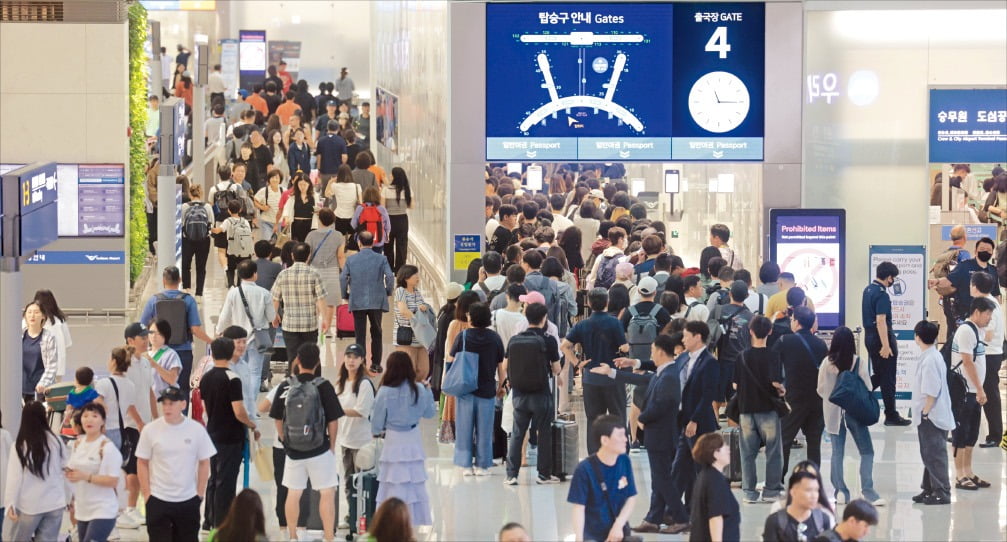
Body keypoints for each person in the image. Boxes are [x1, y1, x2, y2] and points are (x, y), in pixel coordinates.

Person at [600, 334, 685, 534]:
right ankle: (653, 518)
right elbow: (641, 378)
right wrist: (612, 373)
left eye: (653, 351)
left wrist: (643, 418)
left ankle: (681, 517)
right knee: (659, 479)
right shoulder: (663, 372)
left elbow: (665, 403)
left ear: (662, 352)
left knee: (663, 478)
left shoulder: (670, 375)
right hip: (658, 435)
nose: (651, 354)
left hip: (662, 434)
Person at [270, 343, 344, 542]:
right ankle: (329, 537)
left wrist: (285, 440)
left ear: (298, 361)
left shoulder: (285, 385)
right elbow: (333, 420)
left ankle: (293, 536)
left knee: (293, 493)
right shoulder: (323, 386)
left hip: (293, 450)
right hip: (319, 449)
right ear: (318, 363)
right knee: (326, 492)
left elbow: (277, 417)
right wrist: (331, 446)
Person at [136, 386, 215, 542]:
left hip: (187, 499)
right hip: (158, 499)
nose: (167, 408)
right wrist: (147, 494)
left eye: (172, 403)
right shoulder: (150, 430)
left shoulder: (196, 430)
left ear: (183, 404)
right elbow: (142, 461)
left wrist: (199, 493)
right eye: (164, 403)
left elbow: (205, 462)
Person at [816, 326, 883, 505]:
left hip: (832, 413)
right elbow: (868, 387)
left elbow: (820, 389)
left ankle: (841, 492)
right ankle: (868, 491)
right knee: (867, 451)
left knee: (837, 453)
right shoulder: (857, 362)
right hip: (855, 413)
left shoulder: (826, 363)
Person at [199, 337, 260, 529]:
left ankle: (209, 520)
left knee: (213, 479)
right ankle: (223, 522)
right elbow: (238, 411)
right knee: (226, 480)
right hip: (230, 436)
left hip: (212, 433)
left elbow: (204, 407)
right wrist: (252, 425)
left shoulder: (206, 377)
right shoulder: (232, 378)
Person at [561, 288, 630, 455]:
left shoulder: (582, 324)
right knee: (618, 415)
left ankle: (594, 454)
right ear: (607, 302)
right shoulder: (615, 323)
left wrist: (578, 363)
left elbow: (564, 346)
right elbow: (624, 347)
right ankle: (621, 452)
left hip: (591, 378)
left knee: (593, 419)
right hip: (612, 377)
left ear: (589, 303)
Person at [371, 352, 436, 526]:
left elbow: (376, 423)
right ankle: (412, 520)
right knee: (413, 481)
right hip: (413, 440)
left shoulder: (384, 391)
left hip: (392, 440)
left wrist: (377, 432)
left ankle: (391, 520)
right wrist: (428, 391)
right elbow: (430, 413)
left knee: (391, 481)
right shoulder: (420, 390)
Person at [503, 302, 561, 486]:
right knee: (544, 432)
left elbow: (505, 366)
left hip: (519, 393)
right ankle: (543, 475)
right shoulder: (549, 340)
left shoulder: (515, 340)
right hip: (541, 393)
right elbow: (557, 369)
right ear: (544, 319)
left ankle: (512, 475)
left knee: (518, 433)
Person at [140, 266, 214, 402]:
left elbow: (142, 327)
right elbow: (195, 329)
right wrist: (212, 341)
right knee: (183, 388)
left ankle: (162, 414)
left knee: (157, 386)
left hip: (158, 352)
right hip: (183, 351)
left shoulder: (153, 300)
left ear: (163, 281)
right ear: (179, 280)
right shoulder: (188, 300)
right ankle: (181, 417)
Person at [734, 314, 785, 503]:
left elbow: (734, 386)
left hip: (746, 409)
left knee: (747, 452)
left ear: (750, 331)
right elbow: (775, 382)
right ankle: (771, 490)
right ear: (770, 332)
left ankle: (749, 491)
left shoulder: (742, 356)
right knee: (773, 451)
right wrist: (781, 389)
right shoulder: (773, 355)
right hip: (768, 409)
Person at [449, 302, 506, 475]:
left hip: (466, 389)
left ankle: (466, 465)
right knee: (485, 429)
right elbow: (500, 366)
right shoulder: (494, 338)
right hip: (487, 389)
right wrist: (501, 385)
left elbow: (452, 359)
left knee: (464, 427)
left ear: (470, 318)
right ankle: (482, 465)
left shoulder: (463, 336)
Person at [2, 402, 69, 542]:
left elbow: (14, 478)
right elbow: (66, 470)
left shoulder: (20, 445)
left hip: (29, 506)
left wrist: (10, 503)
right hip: (55, 503)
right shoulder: (56, 441)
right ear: (44, 417)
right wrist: (69, 497)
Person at [773, 306, 828, 477]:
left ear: (796, 322)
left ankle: (779, 478)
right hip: (817, 400)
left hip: (793, 399)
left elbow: (772, 365)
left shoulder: (784, 341)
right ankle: (813, 478)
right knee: (814, 442)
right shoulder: (820, 344)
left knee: (785, 439)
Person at [948, 296, 994, 491]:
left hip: (974, 391)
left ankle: (968, 471)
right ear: (976, 312)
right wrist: (980, 389)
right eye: (987, 314)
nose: (989, 318)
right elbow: (967, 362)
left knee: (972, 434)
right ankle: (959, 475)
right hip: (965, 391)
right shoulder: (966, 331)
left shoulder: (977, 330)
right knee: (960, 432)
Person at [567, 415, 637, 542]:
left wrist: (618, 525)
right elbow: (579, 507)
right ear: (604, 440)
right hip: (593, 535)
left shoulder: (624, 461)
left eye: (625, 435)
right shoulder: (584, 469)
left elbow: (631, 497)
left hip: (619, 533)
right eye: (620, 436)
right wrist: (579, 538)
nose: (625, 440)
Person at [909, 320, 954, 505]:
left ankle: (942, 491)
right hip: (933, 414)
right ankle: (928, 488)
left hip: (932, 416)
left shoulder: (929, 360)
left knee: (934, 454)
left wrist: (925, 413)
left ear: (917, 337)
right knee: (929, 453)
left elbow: (931, 391)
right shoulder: (932, 355)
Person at [64, 402, 122, 542]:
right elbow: (71, 471)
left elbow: (113, 480)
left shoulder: (107, 447)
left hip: (103, 509)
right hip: (82, 509)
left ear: (102, 421)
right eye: (85, 416)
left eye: (94, 416)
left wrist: (86, 476)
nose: (89, 419)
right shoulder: (78, 444)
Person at [862, 261, 911, 426]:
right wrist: (886, 345)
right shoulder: (882, 294)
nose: (893, 281)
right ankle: (891, 415)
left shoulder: (868, 290)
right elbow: (881, 320)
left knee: (881, 375)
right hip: (881, 338)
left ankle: (858, 393)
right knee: (888, 377)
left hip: (869, 337)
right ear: (889, 277)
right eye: (893, 278)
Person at [272, 242, 331, 374]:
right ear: (308, 256)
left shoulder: (283, 274)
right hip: (309, 324)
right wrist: (326, 320)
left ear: (292, 256)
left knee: (292, 356)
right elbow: (321, 299)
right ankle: (315, 383)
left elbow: (275, 298)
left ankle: (294, 384)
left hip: (289, 325)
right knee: (312, 355)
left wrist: (274, 316)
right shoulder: (314, 273)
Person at [340, 231, 395, 373]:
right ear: (373, 242)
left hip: (357, 300)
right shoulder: (381, 259)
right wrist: (388, 291)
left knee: (360, 334)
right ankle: (376, 364)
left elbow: (342, 278)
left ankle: (361, 363)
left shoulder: (351, 260)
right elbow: (389, 277)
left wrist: (345, 294)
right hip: (377, 300)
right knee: (377, 331)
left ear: (359, 242)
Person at [121, 323, 158, 528]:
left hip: (145, 424)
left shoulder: (145, 363)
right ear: (130, 340)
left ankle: (133, 508)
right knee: (132, 469)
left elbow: (150, 392)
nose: (146, 340)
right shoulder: (125, 364)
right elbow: (127, 398)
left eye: (147, 336)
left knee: (142, 467)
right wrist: (139, 422)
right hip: (130, 425)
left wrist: (155, 418)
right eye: (142, 337)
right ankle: (128, 509)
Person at [334, 344, 374, 523]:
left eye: (355, 357)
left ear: (362, 360)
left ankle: (366, 517)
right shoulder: (340, 383)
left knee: (364, 483)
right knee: (349, 482)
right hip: (345, 441)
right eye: (348, 356)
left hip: (362, 442)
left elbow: (362, 411)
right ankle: (352, 515)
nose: (351, 360)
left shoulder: (365, 384)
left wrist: (338, 410)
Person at [688, 431, 739, 542]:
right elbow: (715, 517)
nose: (728, 449)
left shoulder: (705, 476)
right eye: (724, 447)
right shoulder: (715, 481)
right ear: (715, 453)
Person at [975, 272, 1004, 449]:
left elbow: (989, 333)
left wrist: (972, 339)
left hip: (989, 355)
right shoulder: (987, 302)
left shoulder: (988, 304)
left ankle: (995, 435)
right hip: (985, 354)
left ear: (975, 286)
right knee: (977, 393)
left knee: (990, 395)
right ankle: (965, 431)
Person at [762, 471, 834, 541]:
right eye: (808, 490)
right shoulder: (775, 521)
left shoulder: (823, 520)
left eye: (816, 490)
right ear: (793, 492)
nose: (814, 495)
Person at [94, 346, 142, 451]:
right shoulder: (130, 385)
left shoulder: (103, 383)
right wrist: (140, 423)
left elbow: (97, 407)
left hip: (104, 430)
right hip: (120, 432)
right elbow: (131, 408)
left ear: (114, 361)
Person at [305, 208, 347, 328]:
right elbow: (340, 256)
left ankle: (314, 326)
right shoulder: (338, 235)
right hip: (332, 271)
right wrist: (345, 272)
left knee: (315, 300)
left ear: (319, 220)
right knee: (330, 302)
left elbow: (307, 255)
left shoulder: (311, 235)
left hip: (314, 271)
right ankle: (326, 327)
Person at [393, 265, 432, 381]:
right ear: (406, 278)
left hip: (420, 338)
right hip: (407, 337)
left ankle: (417, 390)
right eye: (415, 275)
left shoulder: (417, 292)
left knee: (423, 369)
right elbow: (403, 310)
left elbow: (422, 308)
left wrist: (424, 309)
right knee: (408, 369)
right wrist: (417, 319)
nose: (418, 278)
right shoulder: (400, 291)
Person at [211, 199, 255, 288]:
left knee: (230, 268)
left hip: (232, 250)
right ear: (240, 210)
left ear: (228, 210)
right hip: (245, 250)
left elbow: (218, 231)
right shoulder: (245, 221)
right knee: (242, 267)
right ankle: (240, 285)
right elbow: (251, 235)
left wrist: (210, 228)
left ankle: (231, 284)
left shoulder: (228, 221)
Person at [30, 289, 71, 382]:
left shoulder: (31, 321)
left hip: (39, 368)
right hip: (55, 368)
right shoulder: (60, 321)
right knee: (54, 393)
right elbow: (67, 343)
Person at [180, 185, 214, 296]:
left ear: (190, 194)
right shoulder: (207, 207)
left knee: (186, 265)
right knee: (201, 267)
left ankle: (186, 290)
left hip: (187, 240)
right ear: (201, 193)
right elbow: (211, 223)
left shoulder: (184, 206)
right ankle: (199, 293)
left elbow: (181, 223)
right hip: (203, 241)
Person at [20, 301, 56, 403]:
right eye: (29, 312)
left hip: (41, 389)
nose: (32, 315)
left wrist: (43, 383)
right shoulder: (19, 336)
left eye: (36, 312)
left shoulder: (49, 337)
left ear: (43, 316)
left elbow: (52, 365)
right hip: (21, 388)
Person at [383, 167, 412, 272]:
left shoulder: (386, 190)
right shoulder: (407, 190)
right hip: (402, 220)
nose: (390, 176)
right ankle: (400, 270)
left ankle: (389, 269)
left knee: (388, 245)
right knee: (402, 246)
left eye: (391, 174)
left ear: (395, 176)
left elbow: (382, 207)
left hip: (389, 220)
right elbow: (411, 206)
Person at [812, 499, 878, 542]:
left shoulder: (855, 539)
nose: (867, 532)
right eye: (865, 526)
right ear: (852, 521)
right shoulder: (825, 540)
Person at [351, 186, 392, 254]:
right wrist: (386, 236)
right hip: (379, 240)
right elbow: (388, 226)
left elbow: (353, 224)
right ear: (377, 196)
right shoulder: (381, 209)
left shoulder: (360, 208)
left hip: (362, 241)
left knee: (363, 260)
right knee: (376, 260)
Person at [325, 164, 363, 237]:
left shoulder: (336, 186)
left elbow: (327, 194)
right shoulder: (357, 186)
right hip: (353, 217)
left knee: (340, 240)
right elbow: (361, 203)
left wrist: (330, 182)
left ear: (339, 174)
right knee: (352, 240)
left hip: (339, 216)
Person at [149, 319, 183, 398]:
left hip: (165, 401)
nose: (154, 336)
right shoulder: (145, 353)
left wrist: (155, 365)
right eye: (151, 332)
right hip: (147, 401)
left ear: (165, 335)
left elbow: (172, 380)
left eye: (158, 333)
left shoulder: (171, 354)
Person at [282, 173, 318, 243]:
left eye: (305, 184)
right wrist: (286, 218)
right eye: (300, 184)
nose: (302, 187)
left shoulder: (314, 196)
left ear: (309, 184)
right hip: (296, 225)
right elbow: (286, 209)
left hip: (310, 225)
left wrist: (318, 211)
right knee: (296, 245)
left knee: (308, 244)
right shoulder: (293, 197)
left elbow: (319, 208)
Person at [316, 120, 348, 184]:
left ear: (327, 128)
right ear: (338, 129)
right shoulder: (341, 140)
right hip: (337, 173)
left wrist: (319, 170)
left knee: (325, 192)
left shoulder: (321, 141)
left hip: (324, 172)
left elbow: (319, 157)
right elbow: (344, 157)